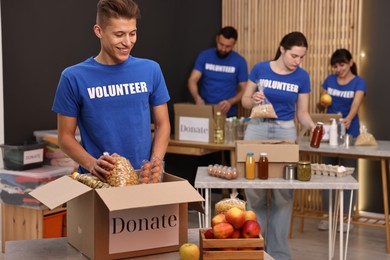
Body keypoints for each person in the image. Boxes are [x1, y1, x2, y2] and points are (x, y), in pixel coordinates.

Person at [52, 0, 171, 181]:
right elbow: (65, 137)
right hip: (100, 181)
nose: (127, 42)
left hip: (144, 180)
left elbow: (163, 124)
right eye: (119, 34)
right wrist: (91, 163)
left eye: (132, 33)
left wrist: (155, 162)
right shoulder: (73, 77)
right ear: (99, 31)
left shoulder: (151, 70)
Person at [241, 31, 316, 260]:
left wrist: (313, 127)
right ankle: (256, 250)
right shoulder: (260, 69)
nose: (298, 61)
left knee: (284, 193)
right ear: (282, 49)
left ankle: (280, 254)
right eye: (294, 56)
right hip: (257, 128)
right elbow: (245, 101)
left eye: (301, 57)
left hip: (285, 130)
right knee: (254, 192)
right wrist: (251, 100)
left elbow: (301, 113)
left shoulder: (302, 77)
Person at [317, 49, 366, 231]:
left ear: (351, 62)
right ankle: (327, 215)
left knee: (348, 175)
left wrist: (348, 119)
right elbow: (323, 100)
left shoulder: (359, 82)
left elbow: (356, 103)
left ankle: (346, 218)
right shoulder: (329, 81)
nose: (339, 69)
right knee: (326, 173)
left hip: (349, 133)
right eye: (336, 66)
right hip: (329, 133)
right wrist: (323, 103)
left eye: (342, 65)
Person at [188, 26, 248, 117]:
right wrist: (197, 98)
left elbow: (245, 89)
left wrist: (230, 102)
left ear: (234, 44)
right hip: (205, 110)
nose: (223, 49)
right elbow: (192, 80)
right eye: (221, 44)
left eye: (228, 46)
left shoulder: (240, 61)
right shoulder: (205, 56)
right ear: (217, 39)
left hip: (228, 113)